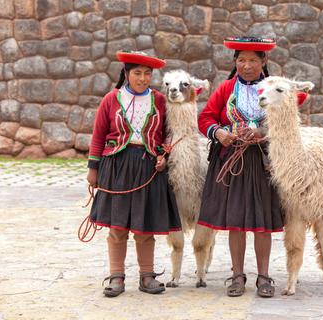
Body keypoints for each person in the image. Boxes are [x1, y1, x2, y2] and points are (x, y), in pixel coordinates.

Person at [86, 50, 181, 297]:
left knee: (144, 226)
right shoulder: (111, 99)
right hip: (116, 167)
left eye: (147, 74)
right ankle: (117, 276)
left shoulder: (159, 100)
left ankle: (146, 276)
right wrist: (93, 169)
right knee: (117, 226)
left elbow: (168, 134)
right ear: (126, 74)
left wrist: (164, 155)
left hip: (149, 167)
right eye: (137, 73)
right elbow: (98, 136)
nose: (142, 78)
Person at [197, 37, 282, 298]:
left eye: (253, 60)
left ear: (263, 61)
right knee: (236, 222)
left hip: (261, 162)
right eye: (242, 60)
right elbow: (206, 118)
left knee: (262, 222)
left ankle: (264, 276)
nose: (247, 65)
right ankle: (237, 275)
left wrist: (263, 131)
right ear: (235, 62)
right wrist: (219, 132)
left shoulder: (275, 89)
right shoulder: (225, 89)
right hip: (231, 161)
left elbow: (285, 120)